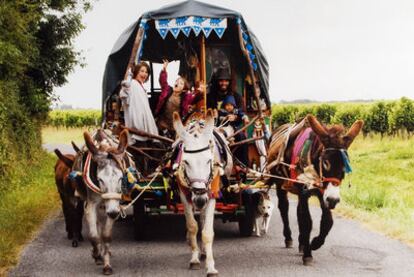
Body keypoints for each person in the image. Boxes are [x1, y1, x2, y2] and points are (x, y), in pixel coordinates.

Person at [155, 60, 202, 135]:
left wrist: (200, 92)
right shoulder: (167, 90)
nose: (178, 83)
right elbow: (163, 81)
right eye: (177, 81)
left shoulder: (185, 97)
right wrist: (164, 70)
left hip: (175, 127)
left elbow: (195, 98)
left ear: (184, 88)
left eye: (181, 83)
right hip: (161, 124)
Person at [120, 61, 158, 143]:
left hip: (143, 125)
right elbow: (123, 94)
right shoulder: (132, 84)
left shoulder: (140, 86)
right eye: (142, 71)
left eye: (146, 72)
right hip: (136, 125)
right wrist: (126, 86)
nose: (144, 74)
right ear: (136, 72)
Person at [217, 95, 249, 168]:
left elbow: (242, 114)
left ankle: (243, 164)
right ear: (224, 105)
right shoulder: (221, 111)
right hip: (223, 131)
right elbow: (220, 119)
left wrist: (245, 118)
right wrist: (226, 118)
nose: (229, 107)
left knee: (242, 137)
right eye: (227, 105)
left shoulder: (236, 111)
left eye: (231, 105)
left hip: (234, 130)